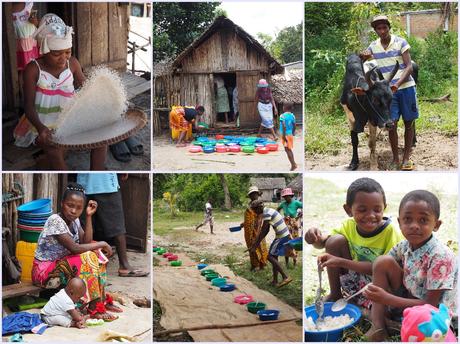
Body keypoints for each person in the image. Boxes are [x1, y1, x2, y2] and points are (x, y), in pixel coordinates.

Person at [13, 13, 107, 170]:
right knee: (54, 150)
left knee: (102, 139)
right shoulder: (33, 69)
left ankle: (96, 173)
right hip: (41, 123)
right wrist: (41, 128)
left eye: (67, 52)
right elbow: (28, 107)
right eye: (56, 54)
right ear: (43, 50)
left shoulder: (73, 64)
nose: (63, 58)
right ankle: (64, 180)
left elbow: (87, 89)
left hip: (70, 119)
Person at [363, 190, 457, 341]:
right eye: (407, 219)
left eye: (423, 220)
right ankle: (378, 326)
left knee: (423, 323)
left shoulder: (440, 257)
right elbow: (377, 268)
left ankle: (396, 318)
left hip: (436, 315)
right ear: (399, 222)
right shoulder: (404, 246)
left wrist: (387, 298)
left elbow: (431, 305)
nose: (414, 226)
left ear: (436, 225)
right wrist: (339, 261)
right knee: (382, 262)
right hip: (411, 297)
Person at [305, 177, 403, 309]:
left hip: (382, 285)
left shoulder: (390, 232)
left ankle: (374, 308)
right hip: (357, 280)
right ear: (348, 210)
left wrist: (340, 261)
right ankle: (335, 294)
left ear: (384, 208)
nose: (370, 215)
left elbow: (380, 269)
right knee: (335, 241)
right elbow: (323, 244)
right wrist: (314, 238)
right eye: (362, 210)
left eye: (377, 209)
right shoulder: (348, 226)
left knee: (383, 305)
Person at [32, 182, 121, 321]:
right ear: (62, 203)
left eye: (78, 208)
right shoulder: (55, 220)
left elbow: (85, 242)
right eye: (70, 205)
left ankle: (99, 302)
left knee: (96, 254)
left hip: (61, 266)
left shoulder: (75, 221)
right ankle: (93, 307)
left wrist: (89, 216)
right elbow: (75, 248)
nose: (73, 211)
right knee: (89, 255)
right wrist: (102, 243)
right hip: (44, 273)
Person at [360, 15, 419, 171]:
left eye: (384, 27)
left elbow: (409, 66)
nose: (382, 31)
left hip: (405, 88)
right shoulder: (373, 46)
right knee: (391, 124)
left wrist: (396, 85)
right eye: (378, 28)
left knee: (409, 123)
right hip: (387, 93)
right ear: (375, 31)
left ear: (389, 27)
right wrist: (363, 56)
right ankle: (395, 158)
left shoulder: (401, 42)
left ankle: (406, 158)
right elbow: (366, 58)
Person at [77, 173, 149, 277]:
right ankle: (124, 266)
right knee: (117, 226)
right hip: (105, 184)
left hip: (84, 183)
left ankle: (84, 267)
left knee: (84, 227)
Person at [249, 200, 292, 288]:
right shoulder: (267, 211)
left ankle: (285, 277)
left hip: (282, 236)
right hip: (283, 235)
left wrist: (256, 245)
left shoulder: (266, 213)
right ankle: (275, 281)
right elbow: (265, 230)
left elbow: (264, 230)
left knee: (270, 256)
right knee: (274, 256)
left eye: (255, 210)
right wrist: (255, 244)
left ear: (259, 208)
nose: (255, 213)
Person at [12, 2, 39, 98]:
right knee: (22, 72)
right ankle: (24, 98)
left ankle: (37, 95)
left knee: (35, 67)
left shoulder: (28, 3)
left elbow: (35, 22)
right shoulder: (7, 8)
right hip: (19, 46)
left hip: (32, 42)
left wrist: (35, 21)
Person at [240, 186, 268, 271]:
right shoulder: (250, 204)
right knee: (251, 245)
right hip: (249, 230)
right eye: (251, 194)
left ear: (257, 194)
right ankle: (254, 264)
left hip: (257, 229)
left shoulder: (259, 203)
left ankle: (261, 264)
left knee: (259, 246)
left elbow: (258, 217)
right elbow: (250, 217)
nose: (253, 195)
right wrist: (244, 223)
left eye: (255, 193)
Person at [277, 187, 302, 267]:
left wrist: (299, 215)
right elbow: (278, 209)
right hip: (285, 224)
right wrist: (280, 218)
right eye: (284, 196)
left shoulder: (296, 203)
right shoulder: (283, 204)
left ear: (291, 196)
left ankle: (294, 262)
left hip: (293, 224)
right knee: (286, 242)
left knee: (294, 241)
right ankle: (287, 263)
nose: (286, 198)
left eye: (287, 196)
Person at [279, 102, 297, 170]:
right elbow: (295, 125)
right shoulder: (292, 116)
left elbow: (283, 126)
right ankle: (293, 163)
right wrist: (293, 132)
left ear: (284, 107)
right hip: (290, 134)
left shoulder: (282, 116)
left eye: (283, 106)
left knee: (287, 150)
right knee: (289, 149)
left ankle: (293, 165)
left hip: (285, 135)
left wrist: (283, 136)